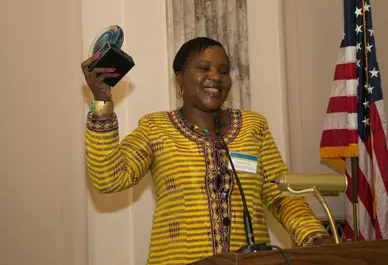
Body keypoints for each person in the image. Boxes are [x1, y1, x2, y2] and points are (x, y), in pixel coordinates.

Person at [82, 37, 334, 265]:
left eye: (223, 71)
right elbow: (109, 178)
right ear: (179, 77)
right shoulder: (155, 128)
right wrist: (102, 102)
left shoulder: (253, 127)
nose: (216, 76)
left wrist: (316, 239)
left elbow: (281, 196)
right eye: (204, 68)